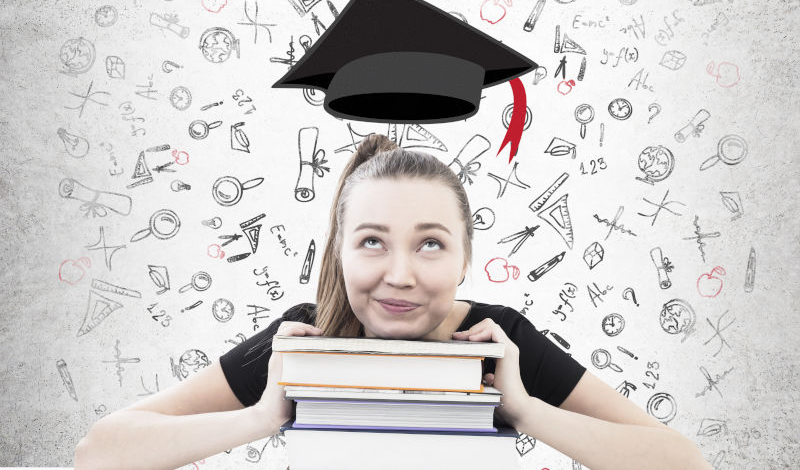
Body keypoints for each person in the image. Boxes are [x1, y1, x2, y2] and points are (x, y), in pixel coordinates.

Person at [74, 134, 712, 470]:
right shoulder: (305, 337)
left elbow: (683, 464)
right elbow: (100, 452)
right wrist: (262, 415)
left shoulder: (498, 343)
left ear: (466, 257)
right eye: (373, 241)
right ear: (341, 254)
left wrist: (521, 406)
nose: (400, 275)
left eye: (431, 245)